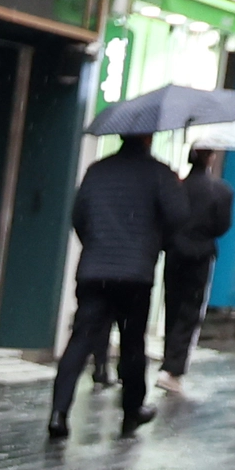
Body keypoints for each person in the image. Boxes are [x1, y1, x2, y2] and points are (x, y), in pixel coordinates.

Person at [49, 131, 173, 440]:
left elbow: (79, 216)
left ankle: (59, 412)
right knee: (132, 345)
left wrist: (97, 246)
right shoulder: (159, 173)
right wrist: (152, 243)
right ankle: (131, 411)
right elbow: (178, 218)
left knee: (80, 341)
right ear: (147, 139)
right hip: (135, 275)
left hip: (94, 272)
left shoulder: (97, 171)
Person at [158, 147, 232, 391]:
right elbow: (222, 226)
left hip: (175, 252)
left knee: (172, 305)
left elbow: (166, 217)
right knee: (190, 311)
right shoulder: (221, 191)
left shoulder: (177, 187)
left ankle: (168, 357)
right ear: (210, 158)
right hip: (200, 255)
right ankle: (173, 368)